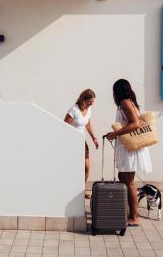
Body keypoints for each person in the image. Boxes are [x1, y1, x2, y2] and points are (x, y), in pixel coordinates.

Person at [106, 79, 152, 227]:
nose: (113, 94)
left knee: (129, 182)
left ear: (118, 91)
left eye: (114, 91)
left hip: (130, 150)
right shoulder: (126, 103)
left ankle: (134, 217)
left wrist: (115, 133)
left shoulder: (125, 102)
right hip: (128, 148)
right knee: (123, 178)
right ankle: (127, 211)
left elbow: (135, 123)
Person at [64, 89, 99, 198]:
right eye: (90, 101)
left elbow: (88, 124)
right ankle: (68, 190)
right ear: (84, 99)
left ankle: (81, 191)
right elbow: (64, 125)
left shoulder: (89, 110)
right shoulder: (73, 109)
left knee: (86, 167)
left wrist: (94, 138)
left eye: (93, 102)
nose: (92, 104)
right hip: (71, 142)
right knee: (71, 168)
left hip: (82, 142)